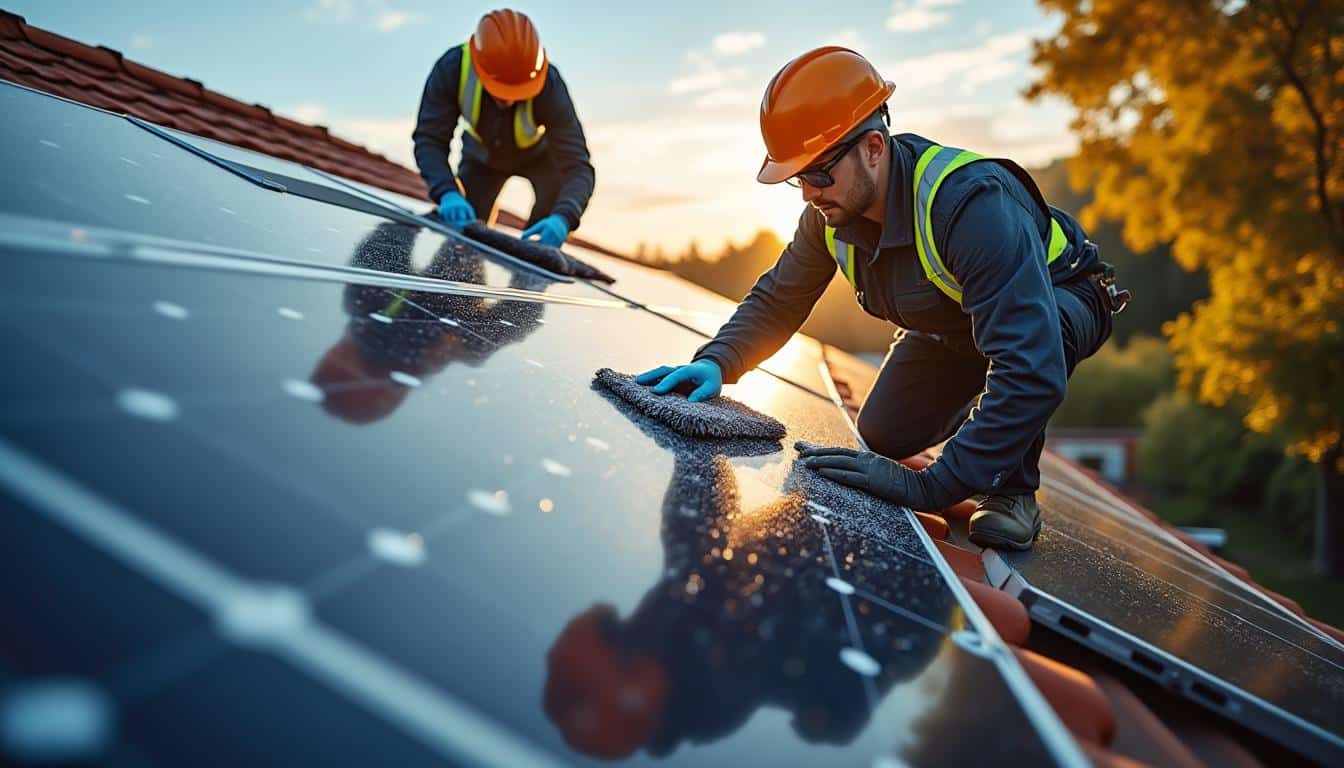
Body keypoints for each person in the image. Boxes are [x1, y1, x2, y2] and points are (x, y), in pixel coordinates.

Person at [637, 47, 1127, 550]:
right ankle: (992, 425)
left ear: (873, 147)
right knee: (883, 433)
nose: (809, 192)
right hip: (955, 327)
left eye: (819, 173)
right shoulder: (829, 216)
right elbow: (779, 296)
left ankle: (1011, 489)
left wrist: (933, 486)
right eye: (797, 179)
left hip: (1061, 297)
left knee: (1030, 357)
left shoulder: (971, 206)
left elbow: (1030, 364)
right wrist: (720, 361)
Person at [412, 9, 594, 246]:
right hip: (481, 159)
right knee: (465, 237)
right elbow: (429, 140)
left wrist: (564, 217)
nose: (509, 100)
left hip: (541, 161)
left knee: (541, 243)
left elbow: (579, 167)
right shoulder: (452, 69)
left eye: (518, 90)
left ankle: (535, 263)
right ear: (480, 67)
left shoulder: (550, 86)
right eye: (500, 89)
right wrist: (446, 191)